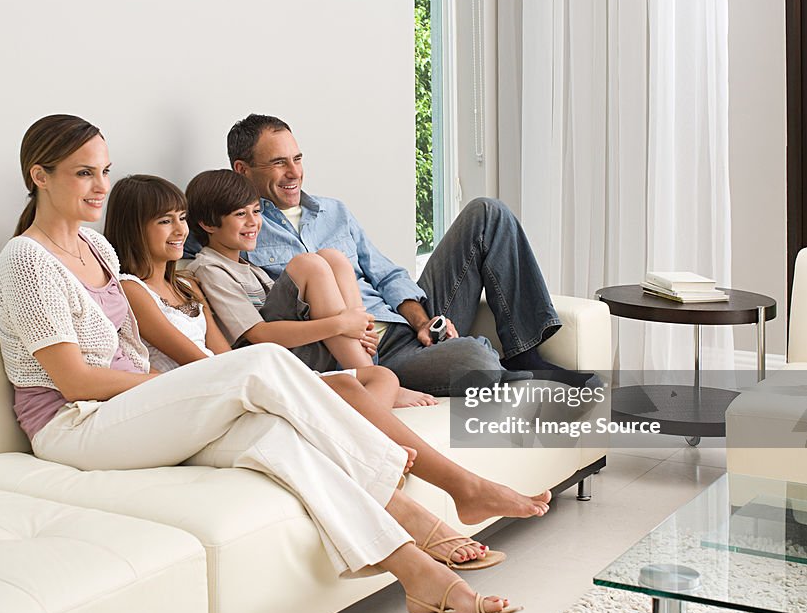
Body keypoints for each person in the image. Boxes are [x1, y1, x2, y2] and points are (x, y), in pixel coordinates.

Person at [0, 114, 516, 613]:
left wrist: (177, 388)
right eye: (85, 172)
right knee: (258, 362)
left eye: (104, 170)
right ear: (40, 176)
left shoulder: (95, 247)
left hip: (130, 412)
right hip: (76, 424)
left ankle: (421, 580)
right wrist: (175, 384)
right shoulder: (27, 260)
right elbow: (75, 382)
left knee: (278, 439)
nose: (100, 185)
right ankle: (457, 486)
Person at [103, 172, 551, 529]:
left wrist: (414, 319)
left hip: (295, 357)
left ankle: (406, 446)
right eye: (166, 221)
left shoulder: (194, 280)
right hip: (257, 371)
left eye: (180, 218)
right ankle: (444, 479)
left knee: (375, 358)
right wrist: (341, 324)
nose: (179, 230)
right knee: (316, 265)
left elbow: (221, 356)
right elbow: (235, 351)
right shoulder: (176, 278)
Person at [219, 113, 584, 397]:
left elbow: (387, 275)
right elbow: (185, 243)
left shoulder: (334, 212)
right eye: (278, 163)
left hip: (400, 323)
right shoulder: (232, 229)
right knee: (478, 360)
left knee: (487, 213)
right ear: (242, 170)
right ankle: (482, 366)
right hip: (357, 350)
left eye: (297, 158)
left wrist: (421, 320)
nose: (294, 172)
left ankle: (524, 353)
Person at [182, 168, 435, 408]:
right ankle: (370, 376)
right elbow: (259, 335)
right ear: (208, 224)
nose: (253, 222)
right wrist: (342, 324)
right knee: (309, 264)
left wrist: (358, 329)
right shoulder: (210, 269)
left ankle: (364, 360)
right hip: (271, 359)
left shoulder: (250, 268)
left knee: (333, 257)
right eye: (240, 214)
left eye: (256, 212)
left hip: (301, 348)